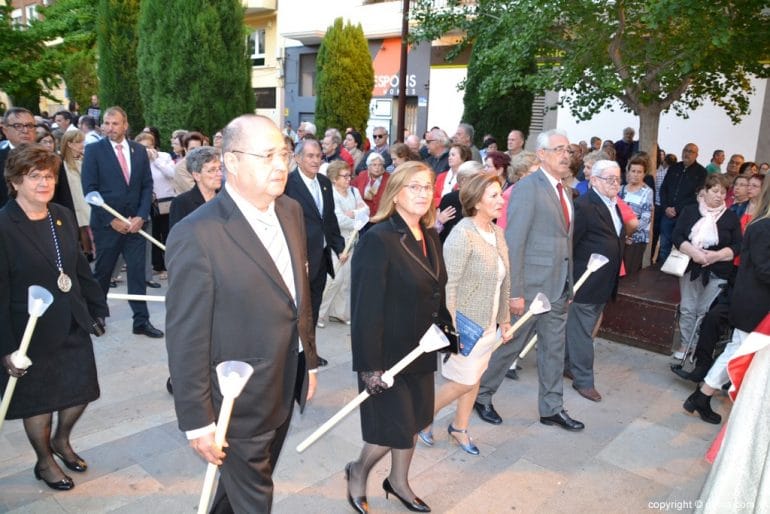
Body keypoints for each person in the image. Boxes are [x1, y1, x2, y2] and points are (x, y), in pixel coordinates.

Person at [165, 115, 318, 512]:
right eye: (267, 156)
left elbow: (296, 295)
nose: (281, 165)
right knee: (255, 496)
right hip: (238, 399)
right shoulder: (197, 233)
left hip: (286, 380)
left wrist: (310, 361)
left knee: (236, 489)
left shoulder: (290, 211)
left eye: (284, 153)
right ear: (231, 161)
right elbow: (186, 337)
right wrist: (198, 421)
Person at [0, 144, 108, 491]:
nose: (44, 183)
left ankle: (61, 441)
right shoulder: (4, 225)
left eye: (49, 176)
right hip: (28, 331)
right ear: (16, 181)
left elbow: (77, 268)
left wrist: (95, 307)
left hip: (71, 320)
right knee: (39, 402)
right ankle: (45, 461)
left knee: (81, 392)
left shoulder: (60, 214)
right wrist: (6, 348)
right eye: (35, 177)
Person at [346, 161, 448, 514]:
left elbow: (437, 290)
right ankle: (358, 472)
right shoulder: (378, 238)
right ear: (396, 192)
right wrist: (369, 367)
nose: (423, 194)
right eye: (414, 187)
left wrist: (448, 329)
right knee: (396, 426)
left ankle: (399, 482)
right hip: (388, 355)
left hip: (422, 349)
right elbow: (364, 308)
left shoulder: (431, 234)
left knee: (417, 422)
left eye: (427, 187)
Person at [475, 129, 584, 431]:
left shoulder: (565, 191)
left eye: (569, 149)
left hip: (558, 287)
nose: (566, 155)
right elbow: (514, 241)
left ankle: (552, 409)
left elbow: (565, 241)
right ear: (542, 154)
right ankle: (480, 396)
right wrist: (515, 291)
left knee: (553, 349)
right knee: (510, 347)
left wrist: (569, 283)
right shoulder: (527, 188)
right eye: (559, 149)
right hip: (530, 289)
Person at [420, 173, 511, 456]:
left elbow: (504, 280)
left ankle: (459, 427)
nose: (501, 200)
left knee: (476, 376)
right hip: (465, 325)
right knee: (464, 381)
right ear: (476, 201)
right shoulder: (462, 234)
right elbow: (448, 286)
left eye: (500, 193)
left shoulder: (497, 232)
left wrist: (505, 319)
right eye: (494, 195)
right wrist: (452, 328)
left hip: (488, 324)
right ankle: (420, 418)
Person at [683, 177, 770, 424]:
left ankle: (702, 396)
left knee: (738, 352)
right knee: (739, 352)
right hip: (754, 305)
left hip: (757, 305)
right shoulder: (762, 227)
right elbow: (764, 270)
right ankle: (707, 396)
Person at [81, 106, 163, 338]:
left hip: (136, 225)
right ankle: (97, 317)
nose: (109, 128)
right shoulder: (94, 151)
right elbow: (89, 190)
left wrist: (141, 215)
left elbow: (147, 185)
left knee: (137, 274)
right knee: (103, 273)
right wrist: (110, 220)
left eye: (115, 123)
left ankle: (141, 321)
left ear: (125, 125)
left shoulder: (138, 150)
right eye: (106, 123)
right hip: (108, 226)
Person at [564, 160, 625, 402]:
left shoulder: (613, 204)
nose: (615, 183)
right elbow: (571, 245)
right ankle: (584, 379)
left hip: (604, 281)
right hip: (585, 281)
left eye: (617, 179)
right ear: (594, 180)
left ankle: (568, 365)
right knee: (582, 331)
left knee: (578, 328)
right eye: (609, 178)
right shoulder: (585, 205)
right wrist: (570, 281)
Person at [285, 139, 345, 366]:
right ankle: (294, 356)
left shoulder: (324, 182)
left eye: (318, 155)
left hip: (321, 258)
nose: (314, 160)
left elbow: (329, 219)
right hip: (299, 258)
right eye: (309, 156)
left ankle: (310, 354)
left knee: (314, 308)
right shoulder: (288, 185)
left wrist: (338, 246)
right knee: (298, 309)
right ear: (298, 158)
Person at [670, 174, 742, 361]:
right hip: (691, 267)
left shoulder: (731, 217)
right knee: (688, 308)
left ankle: (700, 347)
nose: (719, 195)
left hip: (718, 270)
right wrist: (695, 253)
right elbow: (677, 236)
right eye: (715, 191)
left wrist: (716, 255)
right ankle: (686, 344)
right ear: (706, 191)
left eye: (723, 192)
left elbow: (737, 245)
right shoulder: (690, 211)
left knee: (704, 311)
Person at [317, 161, 369, 328]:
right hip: (334, 240)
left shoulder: (354, 191)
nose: (348, 179)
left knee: (346, 279)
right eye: (344, 176)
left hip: (352, 240)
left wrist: (353, 213)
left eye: (349, 176)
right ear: (333, 178)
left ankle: (339, 313)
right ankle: (318, 313)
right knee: (335, 278)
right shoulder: (330, 194)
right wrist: (357, 216)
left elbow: (366, 212)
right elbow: (337, 220)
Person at [658, 143, 707, 264]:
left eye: (691, 151)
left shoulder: (701, 172)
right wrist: (666, 207)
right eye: (685, 150)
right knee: (664, 245)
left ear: (696, 155)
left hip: (684, 216)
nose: (687, 153)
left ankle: (675, 272)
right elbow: (663, 188)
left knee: (681, 246)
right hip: (667, 214)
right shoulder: (674, 167)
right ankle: (661, 271)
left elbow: (696, 195)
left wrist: (677, 209)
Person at [135, 132, 175, 276]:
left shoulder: (164, 157)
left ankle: (170, 265)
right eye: (142, 147)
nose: (146, 150)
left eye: (148, 146)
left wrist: (157, 160)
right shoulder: (136, 160)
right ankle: (158, 266)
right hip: (147, 203)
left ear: (154, 146)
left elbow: (172, 173)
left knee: (168, 233)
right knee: (153, 236)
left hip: (165, 201)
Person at [168, 146, 222, 230]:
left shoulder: (227, 198)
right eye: (212, 170)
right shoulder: (181, 203)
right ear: (197, 175)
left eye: (220, 168)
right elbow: (178, 237)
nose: (219, 174)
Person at [619, 156, 653, 280]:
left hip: (637, 239)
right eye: (633, 171)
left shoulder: (647, 192)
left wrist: (629, 234)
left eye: (639, 172)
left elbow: (645, 219)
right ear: (628, 172)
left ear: (644, 174)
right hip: (620, 237)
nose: (636, 174)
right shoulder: (621, 189)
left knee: (630, 273)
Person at [60, 130, 93, 259]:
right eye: (78, 142)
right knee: (82, 230)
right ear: (69, 144)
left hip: (88, 200)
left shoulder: (85, 159)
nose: (82, 144)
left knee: (90, 230)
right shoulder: (62, 164)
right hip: (75, 203)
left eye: (82, 141)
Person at [436, 160, 483, 242]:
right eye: (478, 179)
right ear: (464, 180)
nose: (482, 183)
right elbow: (439, 233)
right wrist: (439, 222)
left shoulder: (486, 199)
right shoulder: (450, 199)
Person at [1, 108, 38, 206]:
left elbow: (63, 197)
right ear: (5, 130)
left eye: (30, 126)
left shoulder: (50, 158)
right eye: (18, 126)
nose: (25, 130)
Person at [352, 152, 390, 216]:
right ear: (368, 166)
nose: (377, 167)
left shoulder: (388, 178)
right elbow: (352, 189)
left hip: (380, 215)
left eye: (380, 165)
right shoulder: (362, 175)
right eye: (374, 165)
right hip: (363, 214)